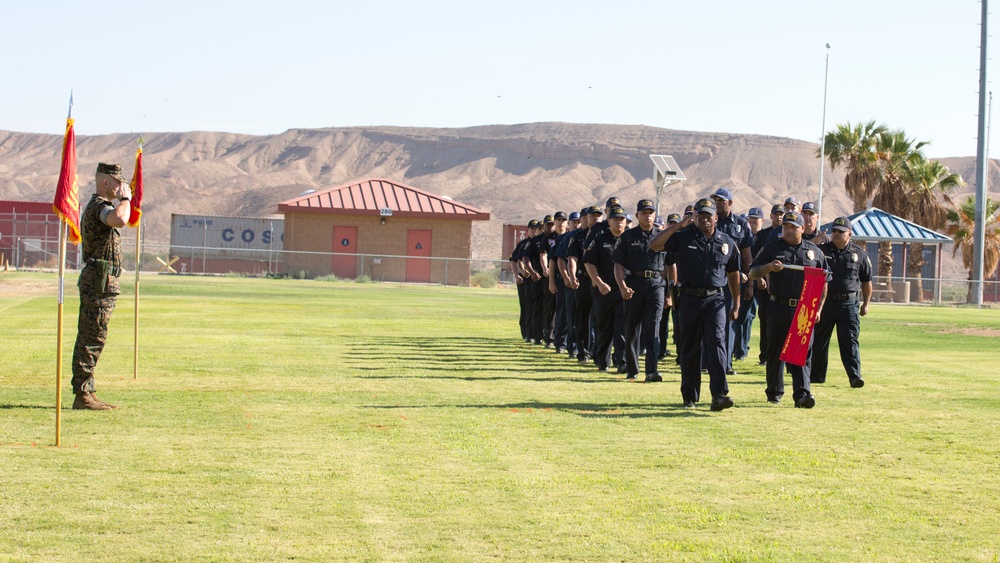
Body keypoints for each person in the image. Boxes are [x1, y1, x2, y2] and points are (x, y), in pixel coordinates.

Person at [652, 198, 740, 410]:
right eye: (700, 215)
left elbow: (734, 274)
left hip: (716, 299)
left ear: (716, 218)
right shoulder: (682, 237)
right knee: (690, 347)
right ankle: (689, 396)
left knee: (717, 344)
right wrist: (678, 225)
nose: (704, 219)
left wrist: (736, 303)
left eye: (708, 215)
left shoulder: (726, 242)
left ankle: (719, 395)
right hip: (689, 298)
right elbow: (654, 244)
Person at [750, 211, 830, 408]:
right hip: (778, 306)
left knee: (801, 352)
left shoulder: (814, 251)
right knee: (775, 351)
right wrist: (769, 267)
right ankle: (774, 392)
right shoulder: (772, 248)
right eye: (786, 226)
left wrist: (818, 309)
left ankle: (802, 394)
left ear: (803, 229)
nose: (789, 230)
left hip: (804, 309)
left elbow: (824, 281)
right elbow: (753, 272)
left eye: (794, 227)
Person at [71, 162, 132, 410]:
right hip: (98, 281)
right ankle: (82, 395)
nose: (121, 188)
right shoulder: (99, 206)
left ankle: (88, 390)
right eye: (118, 183)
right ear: (105, 182)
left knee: (96, 335)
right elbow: (119, 219)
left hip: (103, 281)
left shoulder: (102, 205)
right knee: (91, 336)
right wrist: (125, 199)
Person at [812, 216, 873, 388]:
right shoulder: (821, 251)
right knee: (819, 340)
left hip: (848, 304)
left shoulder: (859, 254)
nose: (837, 234)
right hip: (825, 304)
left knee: (849, 340)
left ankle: (855, 376)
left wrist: (866, 304)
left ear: (850, 234)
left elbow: (866, 281)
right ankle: (816, 376)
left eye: (841, 232)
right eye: (834, 231)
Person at [613, 199, 667, 382]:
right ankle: (632, 368)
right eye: (644, 212)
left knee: (653, 328)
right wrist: (622, 286)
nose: (648, 216)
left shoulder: (662, 237)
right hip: (634, 283)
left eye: (650, 212)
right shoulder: (627, 237)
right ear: (637, 216)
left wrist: (670, 291)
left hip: (656, 284)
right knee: (632, 327)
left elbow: (670, 264)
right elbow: (618, 264)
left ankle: (652, 370)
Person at [711, 188, 754, 375]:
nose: (718, 203)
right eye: (716, 200)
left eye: (721, 200)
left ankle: (726, 363)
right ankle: (709, 361)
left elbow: (747, 256)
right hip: (712, 279)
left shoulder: (741, 224)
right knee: (711, 323)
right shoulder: (710, 221)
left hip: (732, 280)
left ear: (730, 202)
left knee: (729, 322)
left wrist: (750, 283)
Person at [583, 205, 628, 373]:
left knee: (622, 328)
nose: (619, 222)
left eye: (621, 219)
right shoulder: (600, 239)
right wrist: (599, 283)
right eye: (615, 219)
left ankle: (622, 361)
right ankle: (603, 362)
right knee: (604, 328)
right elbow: (589, 262)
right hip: (604, 292)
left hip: (624, 291)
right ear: (609, 220)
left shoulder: (630, 239)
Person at [753, 205, 784, 365]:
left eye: (781, 214)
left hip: (785, 288)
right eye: (776, 214)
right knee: (765, 319)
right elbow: (758, 260)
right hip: (766, 286)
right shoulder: (766, 235)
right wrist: (761, 278)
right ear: (771, 216)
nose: (779, 217)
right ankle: (764, 355)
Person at [733, 206, 764, 362]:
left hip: (759, 282)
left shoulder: (764, 237)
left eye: (755, 219)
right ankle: (738, 349)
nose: (752, 222)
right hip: (744, 280)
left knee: (749, 317)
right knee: (740, 316)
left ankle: (742, 349)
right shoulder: (743, 237)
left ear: (762, 221)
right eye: (750, 219)